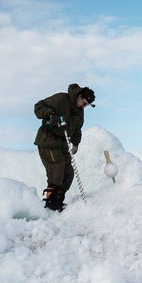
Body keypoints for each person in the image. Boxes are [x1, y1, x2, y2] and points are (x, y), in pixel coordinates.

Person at [34, 83, 95, 211]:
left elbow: (77, 129)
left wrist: (76, 144)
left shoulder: (79, 111)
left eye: (87, 105)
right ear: (79, 96)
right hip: (48, 141)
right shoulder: (61, 99)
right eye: (84, 103)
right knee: (56, 170)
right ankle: (50, 203)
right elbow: (38, 107)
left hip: (63, 144)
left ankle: (59, 200)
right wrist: (51, 115)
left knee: (68, 173)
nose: (84, 106)